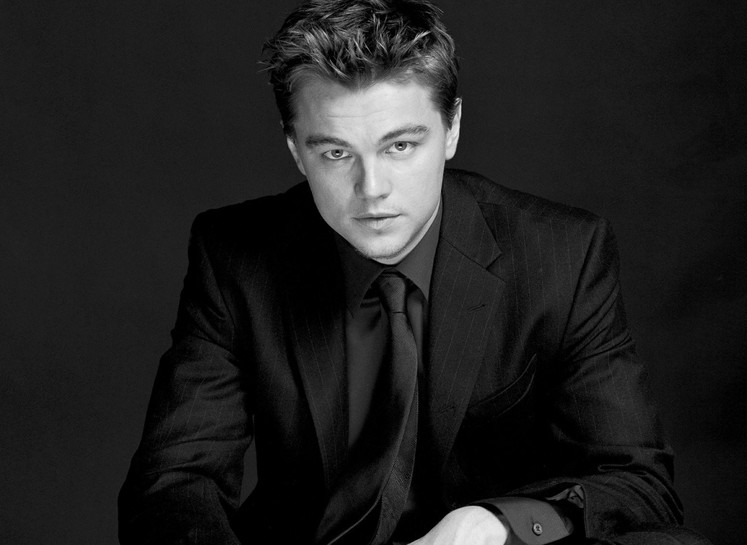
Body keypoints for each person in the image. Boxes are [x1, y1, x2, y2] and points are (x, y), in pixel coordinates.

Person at [118, 1, 710, 544]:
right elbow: (174, 481)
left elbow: (638, 482)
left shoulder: (562, 253)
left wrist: (499, 524)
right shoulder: (235, 256)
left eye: (400, 146)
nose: (371, 189)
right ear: (296, 150)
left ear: (452, 129)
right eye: (335, 153)